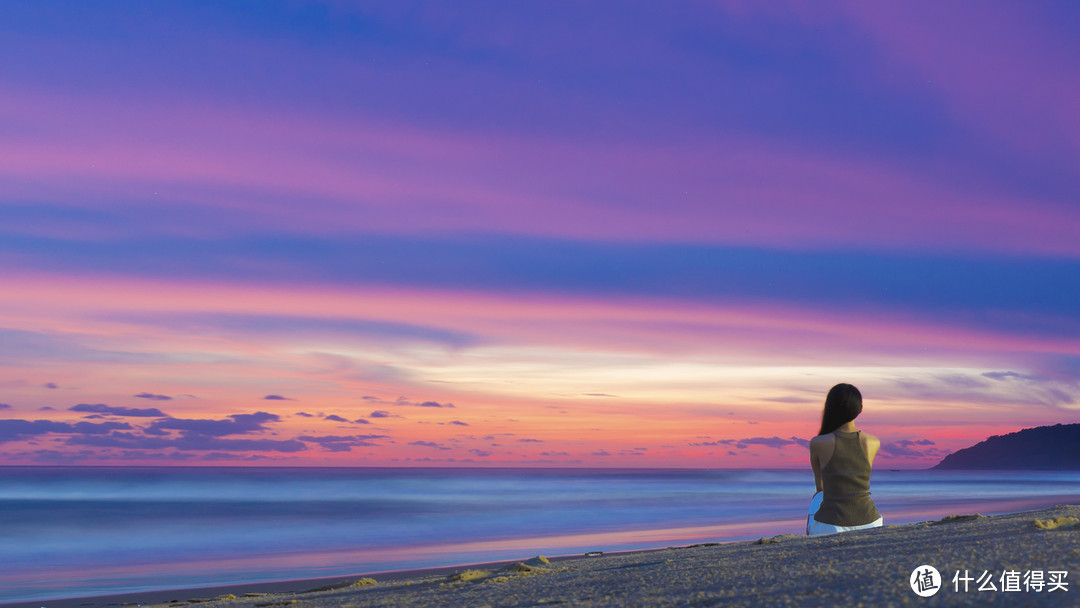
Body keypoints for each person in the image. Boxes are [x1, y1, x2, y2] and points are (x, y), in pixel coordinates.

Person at [806, 383, 883, 535]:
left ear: (830, 408)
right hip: (871, 521)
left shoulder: (818, 443)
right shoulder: (872, 442)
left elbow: (820, 487)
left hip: (831, 525)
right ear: (860, 409)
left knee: (817, 497)